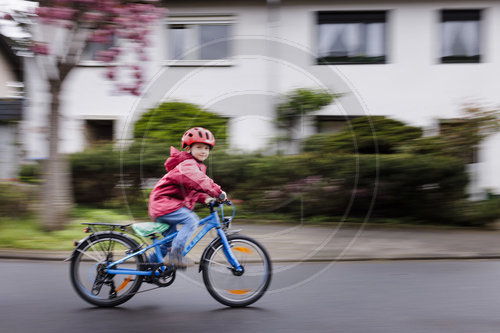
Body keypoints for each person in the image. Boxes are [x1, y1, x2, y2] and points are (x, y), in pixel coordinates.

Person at [148, 127, 226, 269]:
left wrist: (206, 199)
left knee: (167, 243)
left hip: (164, 205)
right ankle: (176, 255)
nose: (203, 151)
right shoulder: (187, 165)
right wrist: (218, 192)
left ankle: (148, 265)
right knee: (191, 220)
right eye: (199, 147)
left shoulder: (194, 166)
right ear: (189, 149)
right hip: (164, 203)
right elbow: (200, 181)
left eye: (207, 148)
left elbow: (193, 188)